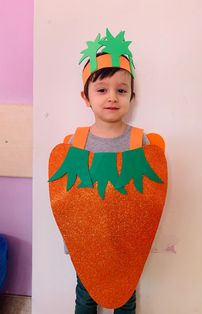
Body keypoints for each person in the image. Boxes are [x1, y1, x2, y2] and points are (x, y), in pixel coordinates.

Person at [48, 28, 168, 314]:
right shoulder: (73, 144)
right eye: (101, 90)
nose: (112, 97)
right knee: (85, 296)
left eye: (121, 90)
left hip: (126, 247)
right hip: (86, 243)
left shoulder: (143, 143)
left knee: (125, 298)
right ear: (86, 97)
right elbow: (66, 200)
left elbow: (148, 200)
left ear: (131, 96)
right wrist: (72, 240)